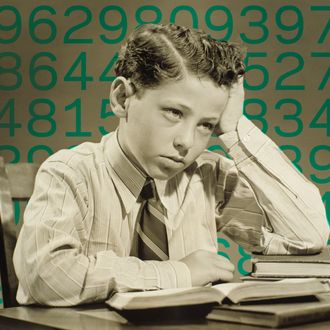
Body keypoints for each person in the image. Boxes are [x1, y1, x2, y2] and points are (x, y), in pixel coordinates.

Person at [13, 24, 328, 306]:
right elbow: (47, 275)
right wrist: (180, 273)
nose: (187, 142)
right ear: (123, 98)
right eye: (174, 113)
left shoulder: (208, 178)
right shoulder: (71, 172)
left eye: (206, 125)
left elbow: (309, 235)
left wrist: (234, 129)